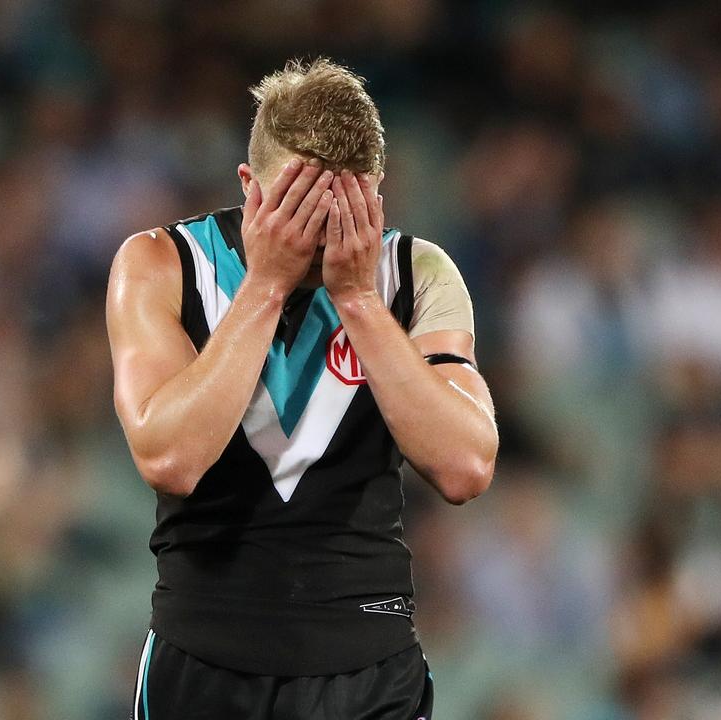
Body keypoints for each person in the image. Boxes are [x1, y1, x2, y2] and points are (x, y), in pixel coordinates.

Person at [106, 58, 498, 719]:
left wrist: (357, 298)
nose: (320, 236)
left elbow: (464, 466)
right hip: (205, 662)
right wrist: (264, 286)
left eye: (344, 210)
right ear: (248, 186)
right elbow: (169, 458)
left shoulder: (417, 272)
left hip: (370, 665)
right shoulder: (159, 263)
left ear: (377, 196)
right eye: (297, 206)